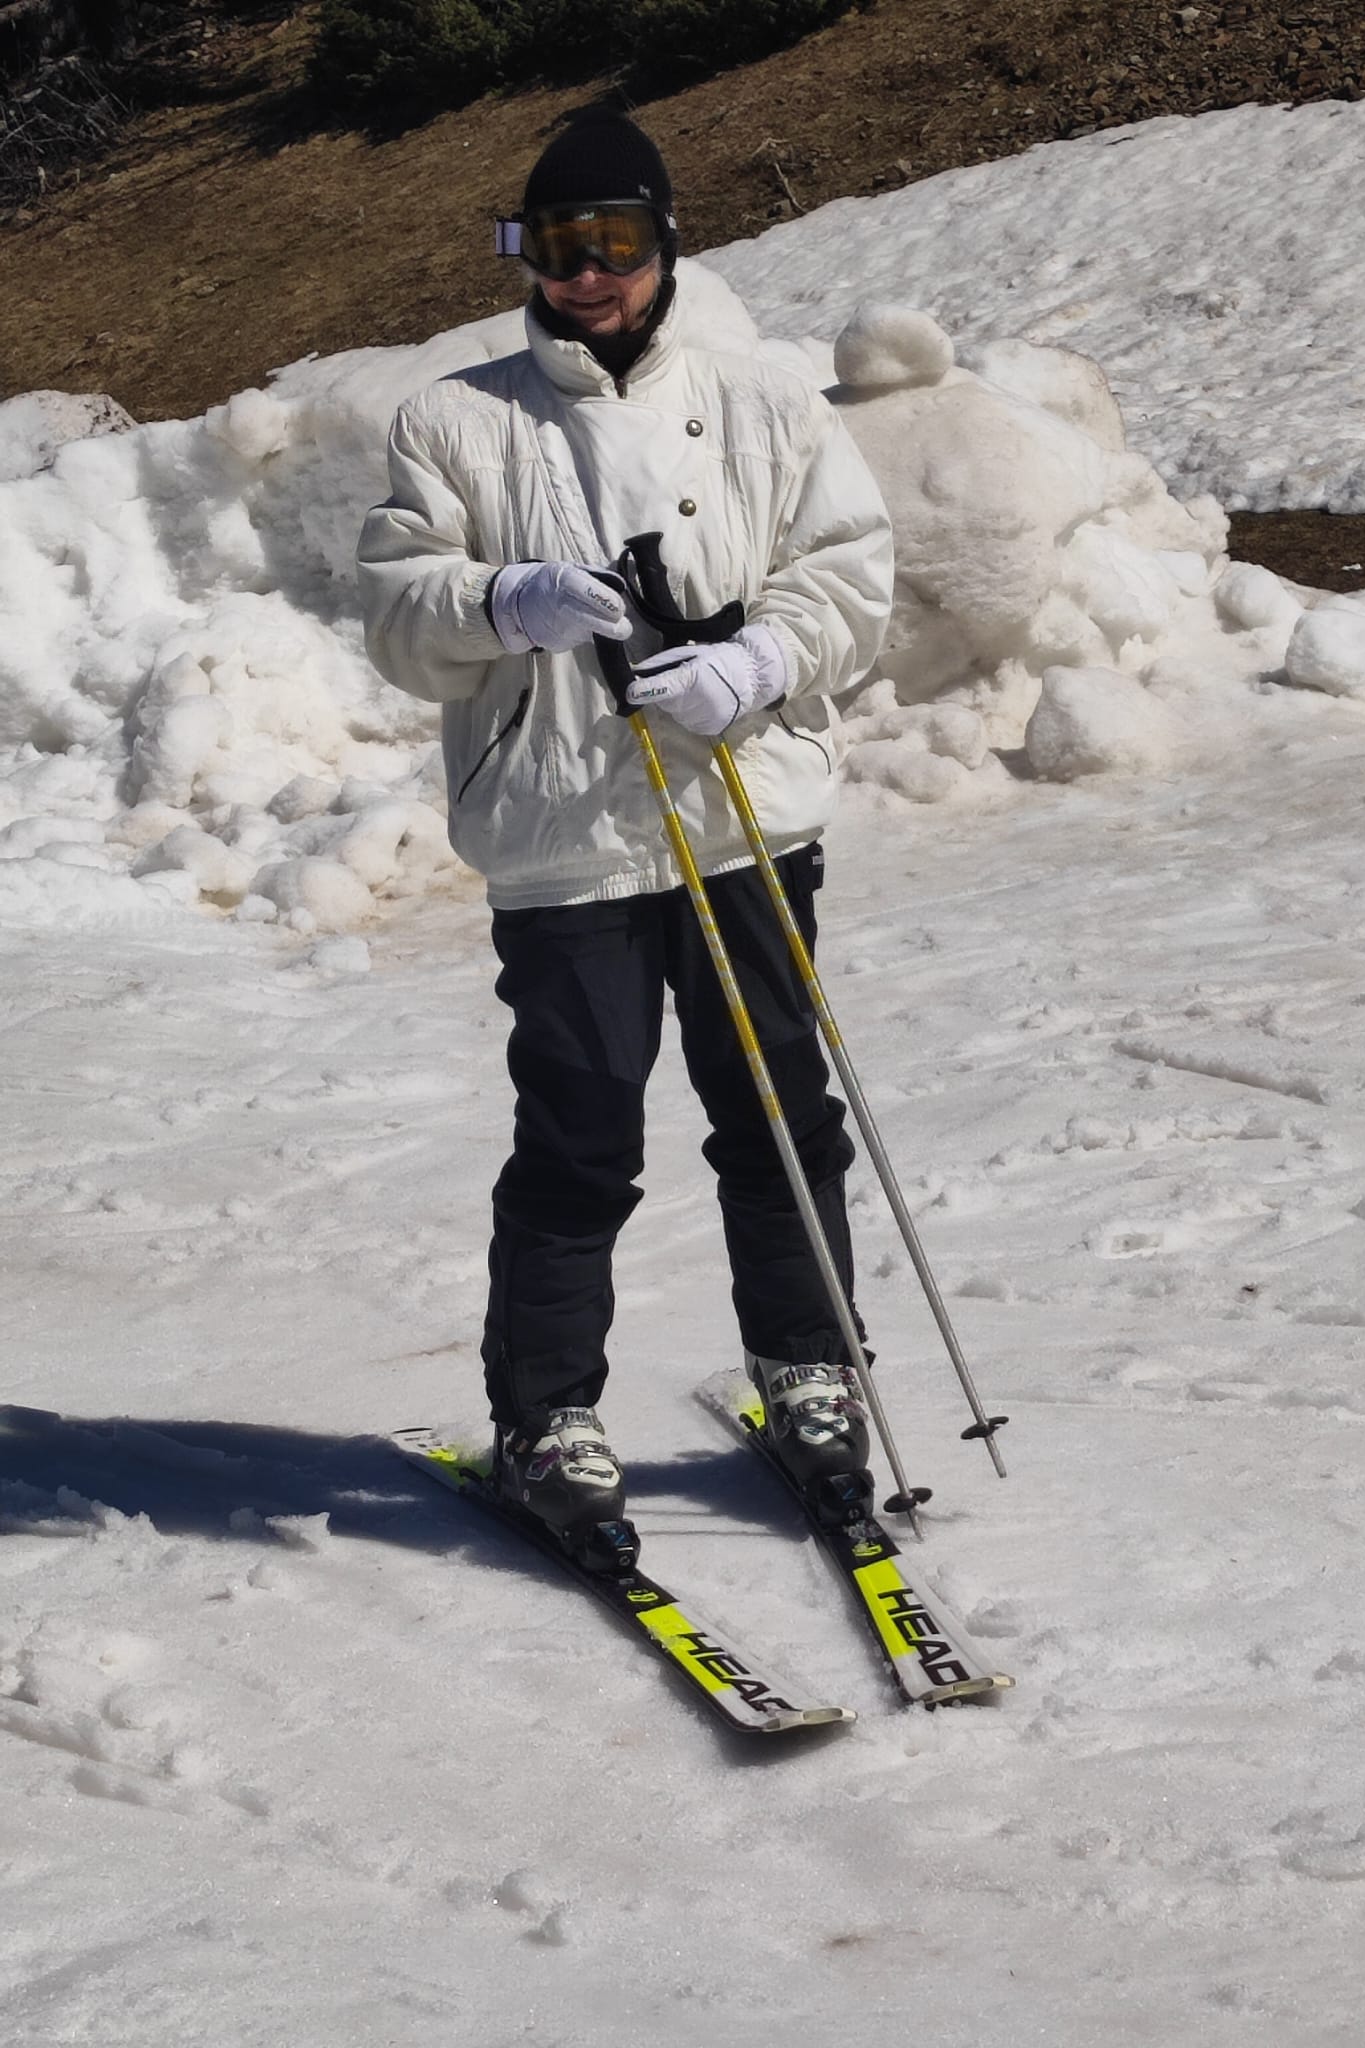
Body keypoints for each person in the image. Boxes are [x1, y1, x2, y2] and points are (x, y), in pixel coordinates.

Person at [358, 108, 894, 1562]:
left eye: (615, 243)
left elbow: (850, 576)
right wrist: (500, 601)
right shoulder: (453, 421)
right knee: (582, 1134)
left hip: (739, 819)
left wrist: (762, 660)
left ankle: (810, 1371)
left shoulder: (764, 403)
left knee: (778, 1113)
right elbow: (397, 613)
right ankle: (546, 1414)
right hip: (566, 838)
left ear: (664, 244)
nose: (587, 276)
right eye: (556, 246)